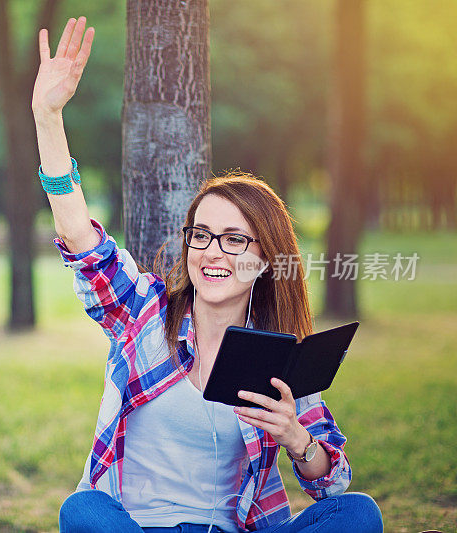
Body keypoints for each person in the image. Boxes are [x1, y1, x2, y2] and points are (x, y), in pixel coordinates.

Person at [32, 16, 384, 533]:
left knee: (357, 513)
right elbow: (82, 239)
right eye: (201, 234)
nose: (212, 252)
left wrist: (295, 437)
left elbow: (329, 483)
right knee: (82, 510)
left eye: (235, 238)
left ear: (265, 257)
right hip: (140, 528)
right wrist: (47, 117)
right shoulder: (144, 312)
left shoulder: (280, 358)